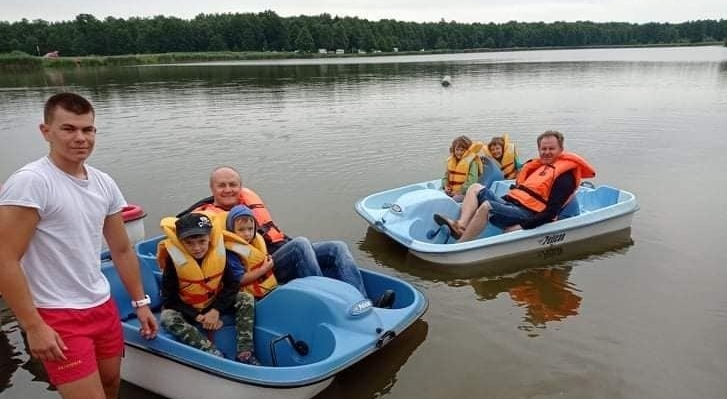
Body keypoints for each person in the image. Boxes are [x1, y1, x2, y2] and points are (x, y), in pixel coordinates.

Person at [0, 92, 158, 399]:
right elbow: (5, 258)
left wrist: (140, 302)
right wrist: (33, 326)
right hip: (57, 315)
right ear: (46, 130)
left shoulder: (103, 183)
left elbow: (121, 249)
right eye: (68, 129)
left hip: (101, 308)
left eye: (88, 130)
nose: (80, 138)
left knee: (110, 392)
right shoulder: (32, 183)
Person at [186, 166, 396, 308]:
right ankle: (331, 305)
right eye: (222, 185)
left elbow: (272, 234)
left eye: (233, 185)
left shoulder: (246, 205)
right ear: (212, 188)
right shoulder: (207, 219)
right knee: (301, 244)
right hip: (262, 270)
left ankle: (364, 303)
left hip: (282, 251)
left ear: (240, 187)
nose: (228, 189)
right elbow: (208, 258)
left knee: (337, 247)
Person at [434, 130, 595, 242]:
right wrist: (501, 202)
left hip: (529, 215)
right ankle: (460, 226)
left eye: (551, 149)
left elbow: (551, 213)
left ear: (561, 149)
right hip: (514, 206)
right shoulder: (538, 167)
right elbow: (520, 193)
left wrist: (522, 226)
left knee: (487, 206)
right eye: (543, 149)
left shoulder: (564, 177)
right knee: (475, 188)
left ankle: (461, 245)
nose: (546, 152)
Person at [158, 212, 257, 364]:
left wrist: (216, 310)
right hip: (187, 308)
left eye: (201, 241)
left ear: (209, 239)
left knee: (245, 298)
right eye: (189, 243)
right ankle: (212, 353)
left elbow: (232, 285)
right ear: (180, 242)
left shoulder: (219, 254)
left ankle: (245, 352)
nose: (197, 248)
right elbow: (169, 299)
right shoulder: (173, 261)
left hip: (213, 303)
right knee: (167, 317)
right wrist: (197, 316)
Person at [225, 204, 279, 299]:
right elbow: (240, 279)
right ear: (231, 231)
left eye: (250, 229)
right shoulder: (231, 252)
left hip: (266, 287)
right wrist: (264, 269)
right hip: (248, 295)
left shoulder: (255, 242)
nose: (247, 234)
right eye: (241, 230)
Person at [442, 135, 486, 199]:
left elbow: (472, 181)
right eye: (457, 149)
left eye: (462, 150)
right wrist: (445, 186)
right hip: (451, 191)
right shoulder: (451, 161)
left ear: (468, 151)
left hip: (465, 193)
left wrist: (459, 191)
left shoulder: (472, 162)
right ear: (453, 150)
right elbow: (445, 176)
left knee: (455, 199)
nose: (459, 152)